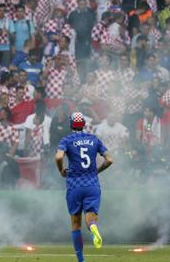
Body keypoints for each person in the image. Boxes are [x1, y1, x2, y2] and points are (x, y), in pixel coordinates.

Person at [55, 112, 114, 262]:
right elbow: (109, 160)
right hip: (92, 185)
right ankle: (93, 227)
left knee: (75, 224)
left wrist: (61, 170)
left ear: (71, 124)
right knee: (90, 218)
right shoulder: (94, 139)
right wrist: (97, 170)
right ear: (84, 125)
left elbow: (59, 156)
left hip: (74, 185)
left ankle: (81, 259)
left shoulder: (66, 140)